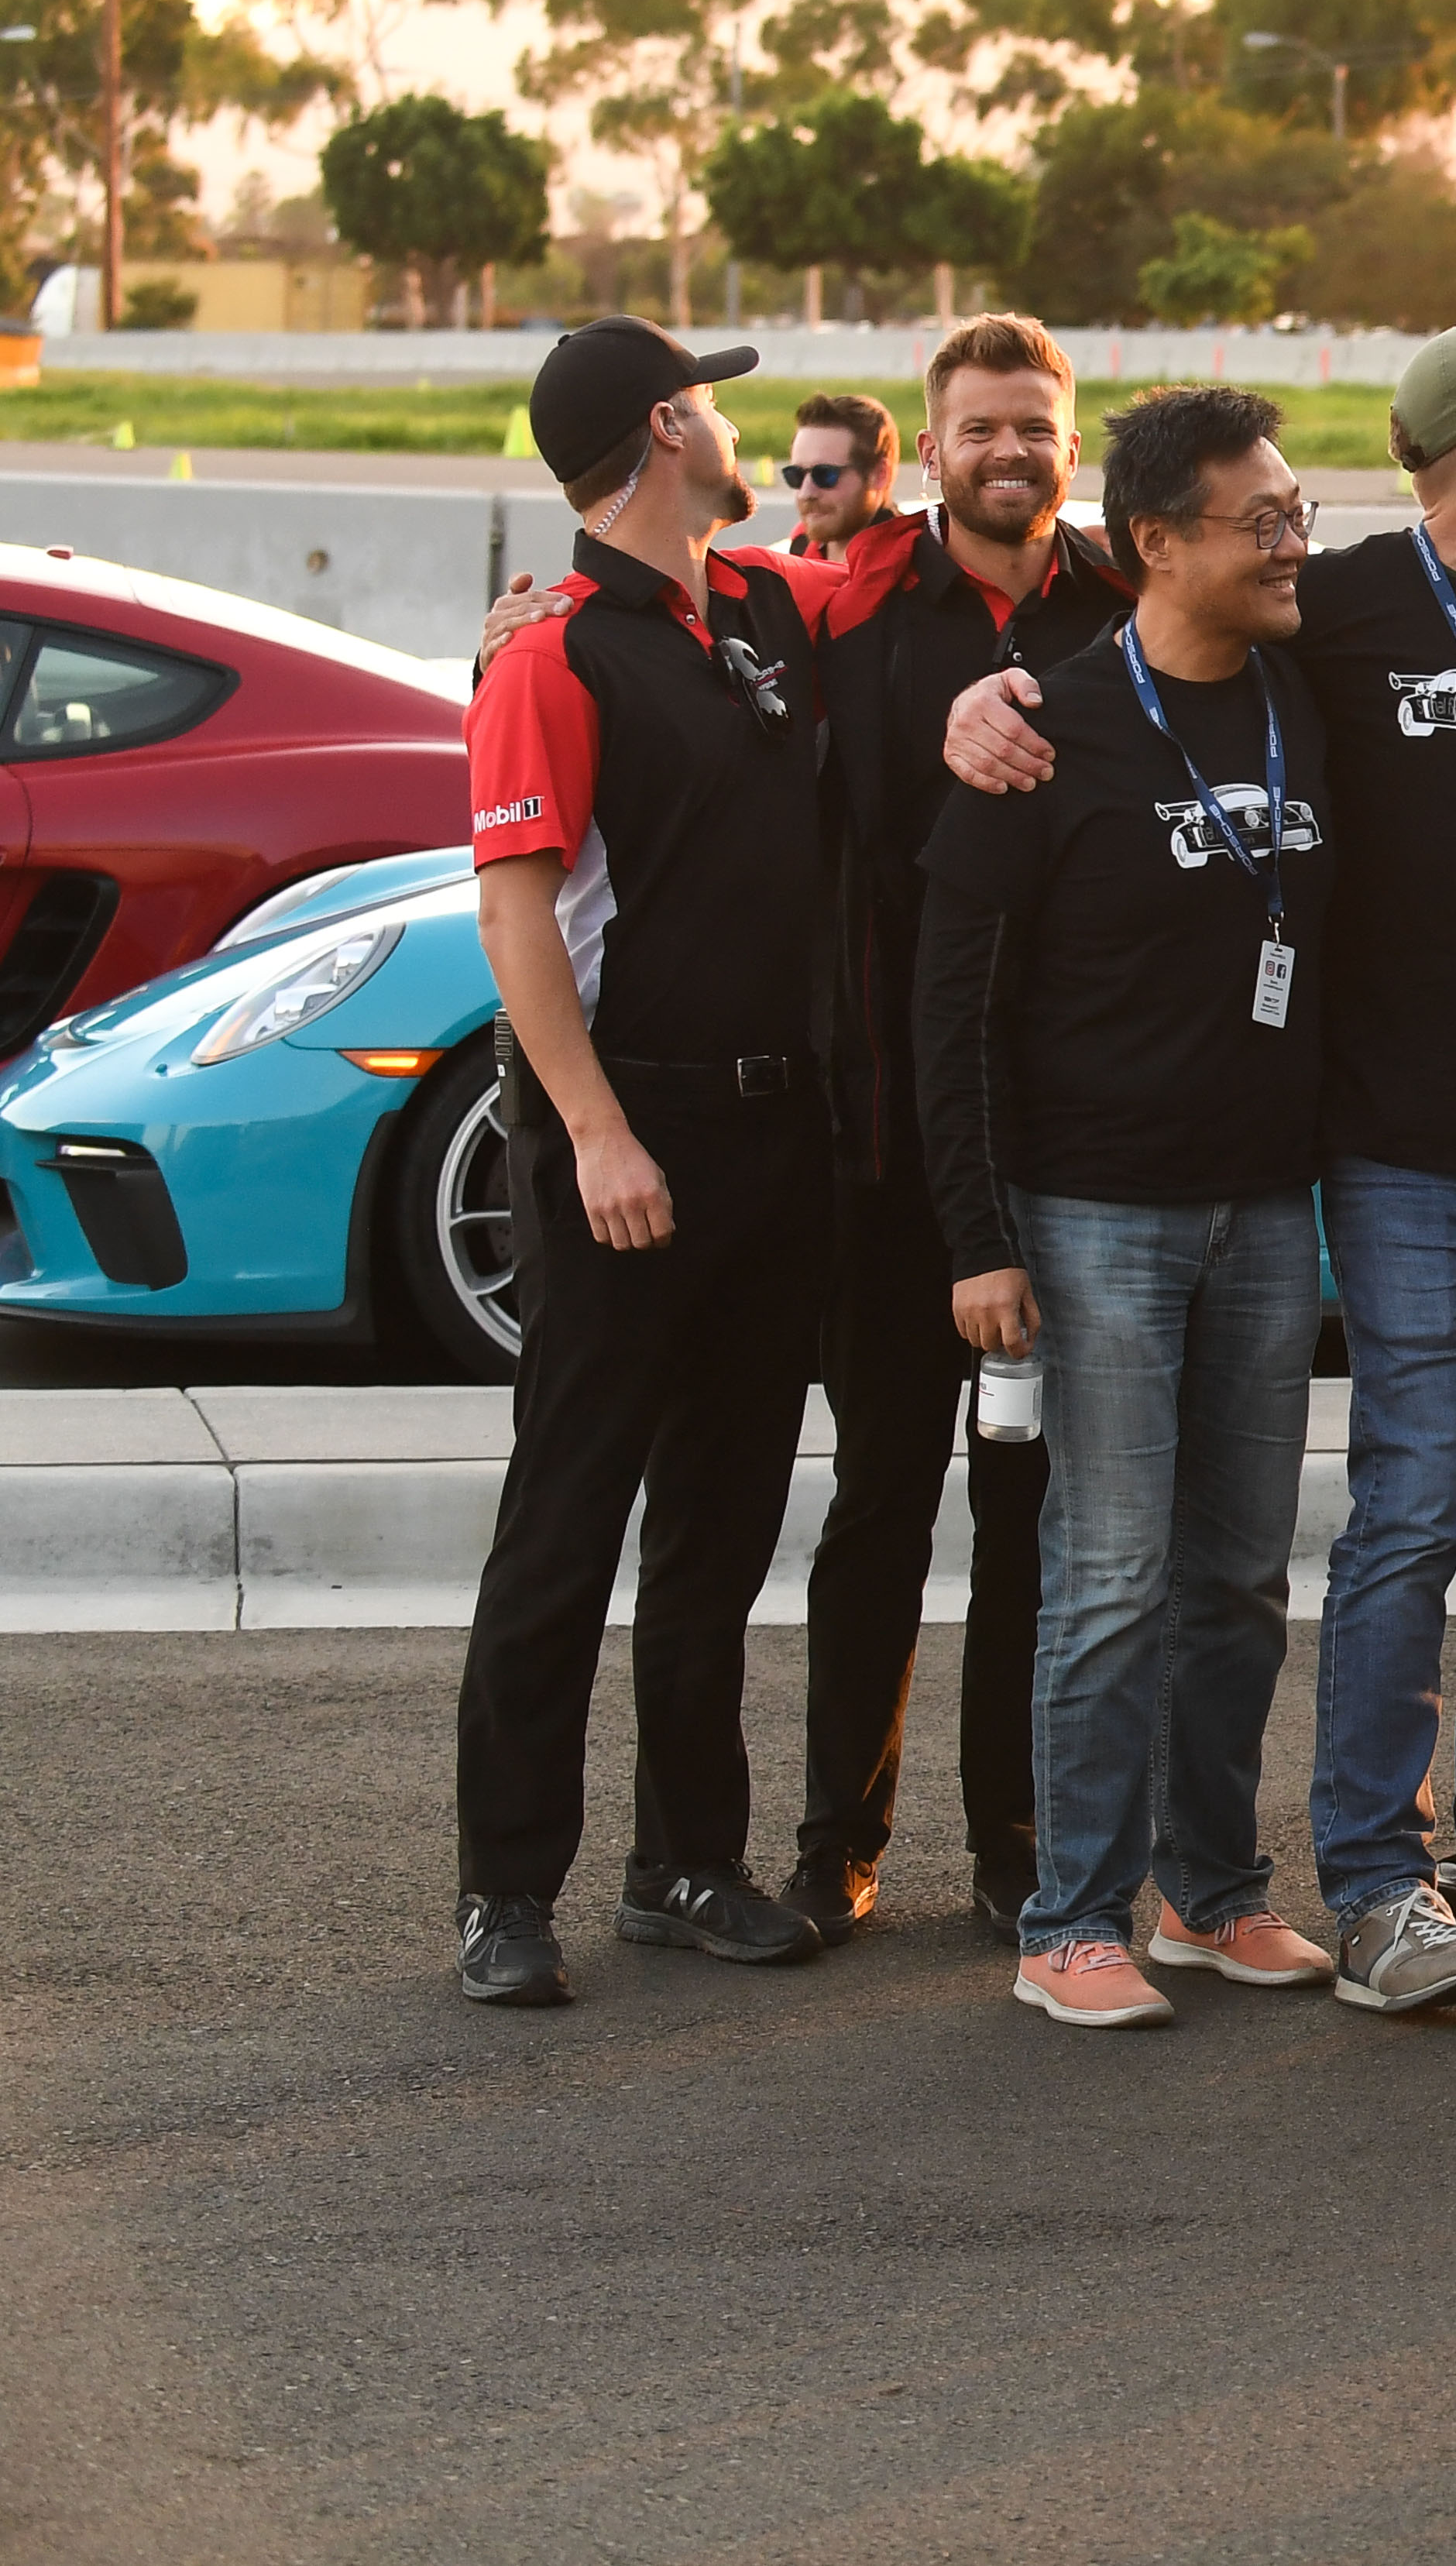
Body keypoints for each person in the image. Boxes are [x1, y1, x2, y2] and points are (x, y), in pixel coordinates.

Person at [947, 317, 1456, 2020]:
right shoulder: (1337, 610)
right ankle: (1368, 1879)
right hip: (1400, 1155)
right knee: (1399, 1514)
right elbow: (1144, 620)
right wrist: (983, 700)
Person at [916, 386, 1337, 2028]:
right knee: (1107, 1574)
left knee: (1238, 1577)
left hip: (1268, 1208)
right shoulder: (1047, 729)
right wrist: (979, 1240)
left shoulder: (1310, 689)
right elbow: (951, 1003)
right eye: (1262, 521)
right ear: (1156, 541)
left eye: (1299, 514)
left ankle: (1208, 1894)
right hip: (1095, 1216)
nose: (1291, 544)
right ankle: (1070, 1920)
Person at [450, 318, 851, 2009]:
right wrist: (598, 1132)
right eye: (718, 403)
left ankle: (685, 1864)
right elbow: (515, 918)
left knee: (720, 1523)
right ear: (671, 425)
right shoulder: (551, 654)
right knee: (566, 1520)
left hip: (776, 1137)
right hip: (625, 1138)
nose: (744, 434)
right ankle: (504, 1892)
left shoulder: (763, 605)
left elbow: (933, 574)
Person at [789, 318, 1132, 1943]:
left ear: (1071, 442)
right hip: (885, 1153)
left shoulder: (1126, 604)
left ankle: (1014, 1839)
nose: (1009, 451)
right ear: (927, 450)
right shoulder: (848, 608)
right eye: (979, 427)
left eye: (1034, 427)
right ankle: (836, 1841)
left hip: (1065, 1154)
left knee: (1031, 1523)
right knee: (877, 1505)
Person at [785, 392, 894, 553]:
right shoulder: (800, 548)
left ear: (880, 474)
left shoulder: (913, 561)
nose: (806, 493)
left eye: (825, 475)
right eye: (796, 475)